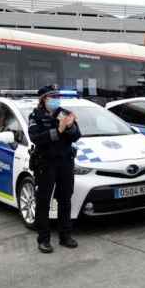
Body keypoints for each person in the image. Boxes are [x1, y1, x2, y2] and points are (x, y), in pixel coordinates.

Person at [28, 85, 81, 254]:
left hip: (65, 162)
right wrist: (58, 130)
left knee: (65, 199)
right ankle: (43, 240)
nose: (55, 99)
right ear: (43, 99)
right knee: (43, 202)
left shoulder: (64, 113)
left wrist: (70, 126)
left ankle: (65, 236)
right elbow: (36, 138)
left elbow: (77, 135)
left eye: (57, 96)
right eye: (52, 96)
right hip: (46, 163)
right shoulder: (35, 116)